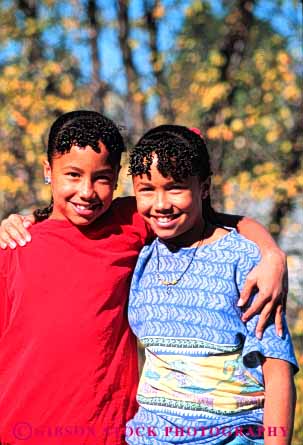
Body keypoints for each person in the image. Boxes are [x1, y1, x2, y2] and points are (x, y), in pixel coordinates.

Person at [0, 111, 288, 445]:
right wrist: (16, 220)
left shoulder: (133, 220)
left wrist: (271, 253)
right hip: (21, 429)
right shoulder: (15, 246)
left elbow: (217, 218)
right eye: (73, 175)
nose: (87, 192)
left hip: (112, 433)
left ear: (118, 176)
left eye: (103, 178)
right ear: (48, 171)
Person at [126, 125, 298, 445]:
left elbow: (277, 370)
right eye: (147, 189)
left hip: (231, 436)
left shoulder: (243, 259)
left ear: (203, 187)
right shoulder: (143, 257)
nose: (160, 203)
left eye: (176, 187)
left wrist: (272, 253)